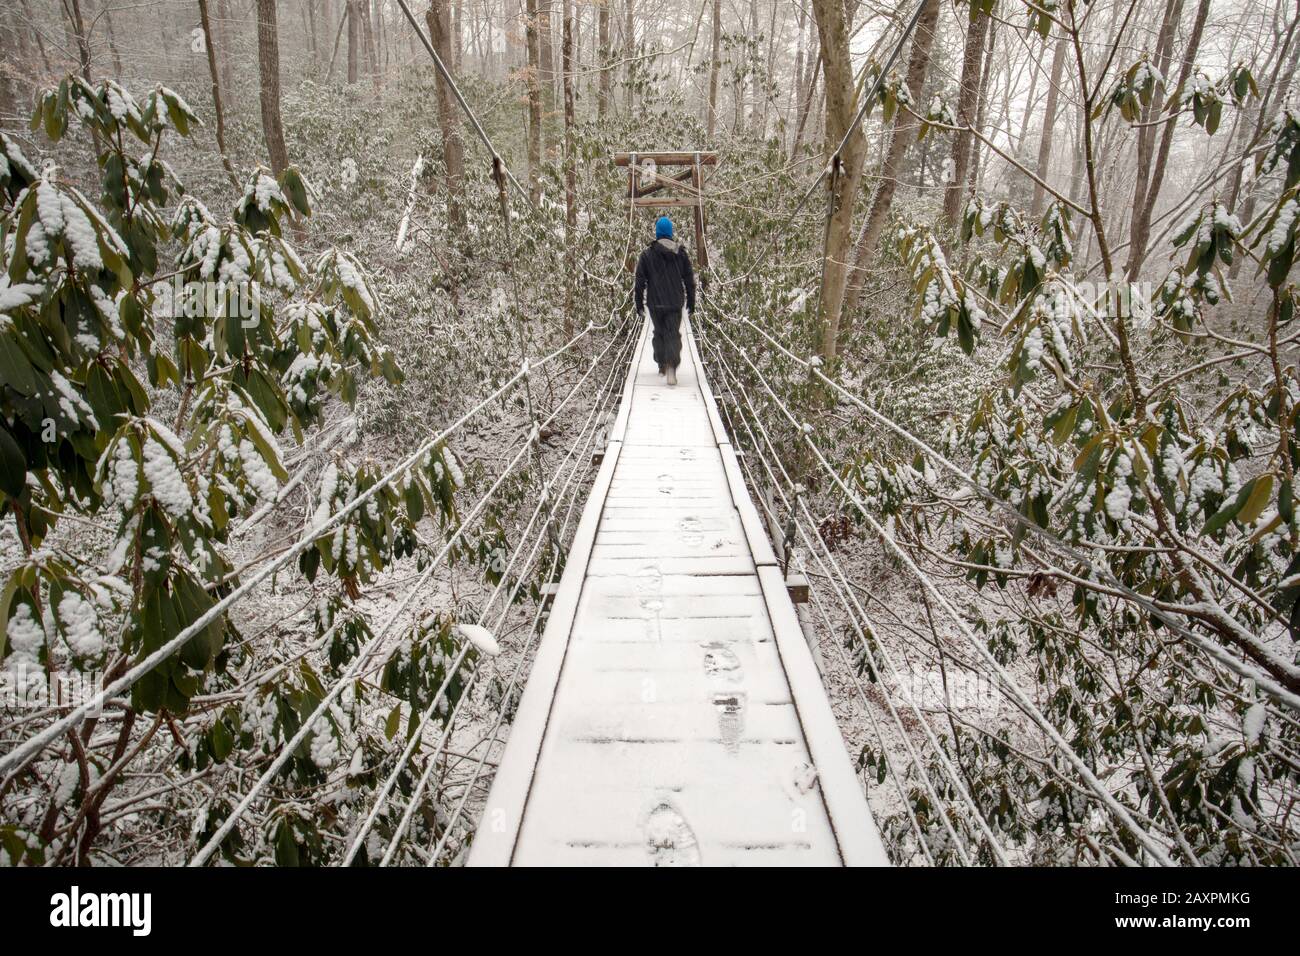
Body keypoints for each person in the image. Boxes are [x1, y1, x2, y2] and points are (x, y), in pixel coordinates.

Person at [634, 216, 696, 387]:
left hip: (655, 302)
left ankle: (661, 364)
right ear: (670, 233)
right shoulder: (680, 254)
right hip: (675, 301)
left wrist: (638, 303)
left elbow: (639, 281)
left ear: (657, 233)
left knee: (659, 333)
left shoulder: (647, 255)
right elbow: (689, 280)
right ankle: (671, 367)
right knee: (673, 334)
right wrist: (692, 301)